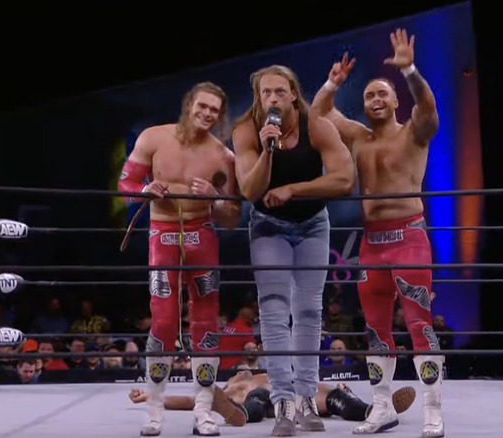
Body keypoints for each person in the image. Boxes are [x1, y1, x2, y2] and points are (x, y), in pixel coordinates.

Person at [310, 29, 443, 437]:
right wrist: (333, 82)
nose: (376, 100)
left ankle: (433, 411)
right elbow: (317, 113)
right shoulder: (356, 137)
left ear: (395, 99)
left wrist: (410, 70)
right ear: (363, 104)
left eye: (383, 93)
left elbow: (427, 103)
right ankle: (381, 408)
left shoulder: (414, 132)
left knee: (420, 324)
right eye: (369, 95)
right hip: (372, 243)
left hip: (409, 238)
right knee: (375, 330)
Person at [231, 64, 356, 436]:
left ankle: (305, 398)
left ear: (293, 94)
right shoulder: (245, 129)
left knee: (308, 310)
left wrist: (294, 189)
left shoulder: (314, 122)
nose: (272, 98)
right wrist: (268, 150)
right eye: (266, 92)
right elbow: (250, 191)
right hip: (269, 224)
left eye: (280, 92)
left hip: (313, 222)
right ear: (259, 96)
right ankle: (282, 402)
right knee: (272, 309)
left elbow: (345, 178)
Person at [118, 81, 242, 437]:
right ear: (189, 104)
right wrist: (145, 189)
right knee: (163, 322)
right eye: (201, 106)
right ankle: (154, 412)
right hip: (163, 234)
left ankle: (203, 412)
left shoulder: (223, 156)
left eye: (213, 111)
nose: (206, 114)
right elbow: (125, 184)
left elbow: (232, 217)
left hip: (203, 236)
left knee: (205, 322)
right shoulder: (154, 137)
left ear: (219, 116)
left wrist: (216, 198)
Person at [128, 371, 416, 426]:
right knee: (255, 401)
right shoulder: (237, 383)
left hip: (297, 389)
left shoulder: (277, 369)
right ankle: (234, 414)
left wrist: (343, 388)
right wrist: (152, 398)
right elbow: (193, 401)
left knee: (334, 396)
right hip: (258, 396)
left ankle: (374, 409)